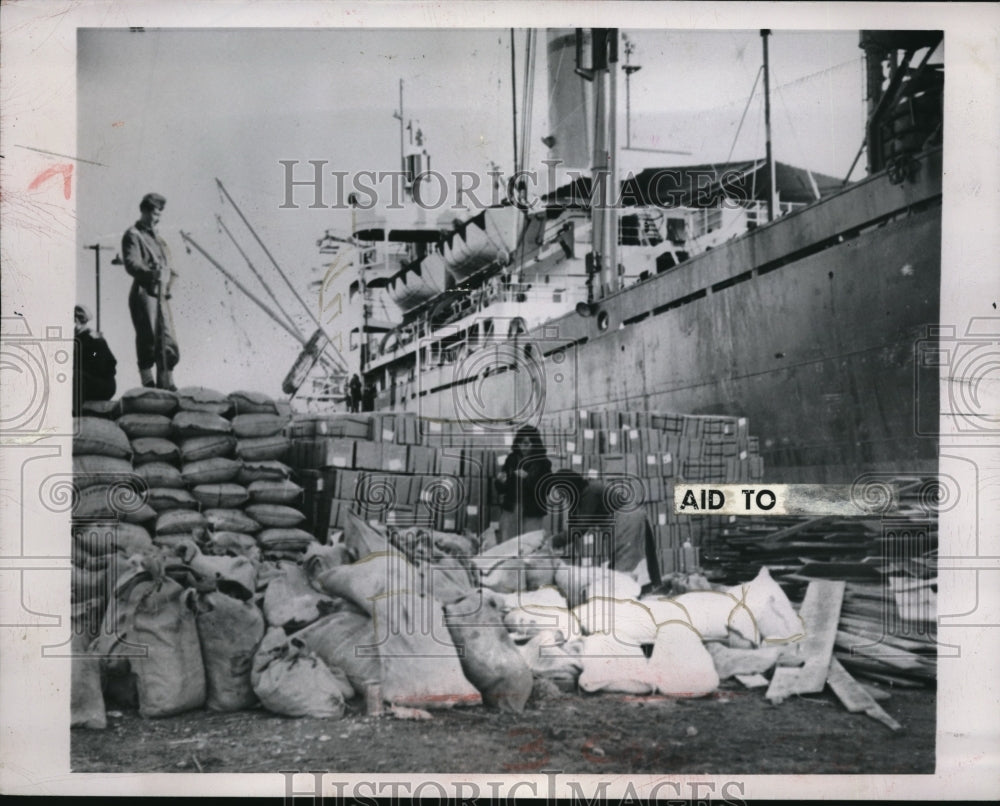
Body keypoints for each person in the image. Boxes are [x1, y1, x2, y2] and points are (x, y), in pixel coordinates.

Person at [546, 468, 662, 594]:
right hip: (631, 518)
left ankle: (626, 596)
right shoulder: (586, 492)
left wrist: (555, 540)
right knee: (632, 560)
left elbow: (580, 528)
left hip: (626, 521)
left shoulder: (590, 492)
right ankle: (649, 590)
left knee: (624, 563)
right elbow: (577, 523)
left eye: (561, 491)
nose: (561, 495)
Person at [121, 192, 179, 390]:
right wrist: (152, 273)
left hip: (161, 294)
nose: (157, 218)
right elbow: (131, 263)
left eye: (160, 215)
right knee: (148, 337)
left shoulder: (160, 240)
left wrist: (169, 281)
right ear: (144, 211)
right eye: (155, 213)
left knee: (168, 338)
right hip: (144, 291)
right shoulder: (133, 235)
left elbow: (171, 267)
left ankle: (167, 383)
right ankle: (148, 383)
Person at [495, 425, 553, 542]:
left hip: (532, 511)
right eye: (522, 443)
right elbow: (501, 489)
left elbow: (546, 489)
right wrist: (501, 482)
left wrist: (528, 479)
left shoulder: (543, 463)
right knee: (507, 543)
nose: (525, 447)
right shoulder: (511, 459)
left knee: (529, 544)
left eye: (528, 443)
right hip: (511, 509)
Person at [72, 304, 117, 414]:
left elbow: (108, 366)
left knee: (75, 376)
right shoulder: (75, 339)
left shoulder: (93, 338)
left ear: (76, 320)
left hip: (103, 384)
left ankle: (75, 413)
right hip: (85, 382)